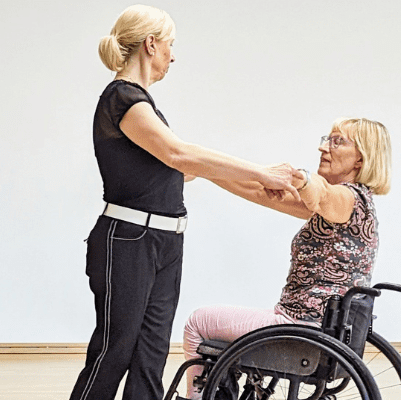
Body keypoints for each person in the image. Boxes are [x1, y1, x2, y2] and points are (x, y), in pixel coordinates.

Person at [70, 5, 301, 400]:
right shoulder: (122, 99)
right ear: (150, 44)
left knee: (151, 356)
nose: (173, 55)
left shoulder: (143, 105)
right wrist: (262, 172)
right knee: (114, 352)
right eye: (170, 45)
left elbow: (186, 170)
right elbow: (180, 155)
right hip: (128, 240)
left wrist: (261, 188)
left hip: (164, 241)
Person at [176, 118, 391, 399]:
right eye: (327, 138)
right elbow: (258, 191)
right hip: (317, 329)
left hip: (301, 329)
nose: (323, 147)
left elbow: (322, 193)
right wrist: (205, 170)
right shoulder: (346, 205)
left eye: (337, 141)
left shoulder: (347, 199)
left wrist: (301, 178)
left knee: (197, 323)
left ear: (361, 158)